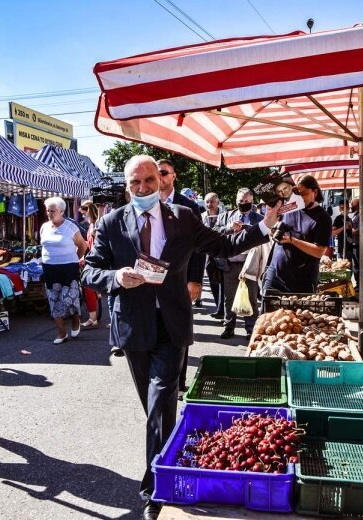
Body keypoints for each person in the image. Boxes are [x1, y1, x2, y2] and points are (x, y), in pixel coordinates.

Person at [82, 155, 280, 520]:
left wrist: (264, 227)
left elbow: (223, 245)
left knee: (161, 403)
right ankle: (174, 460)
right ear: (127, 186)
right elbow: (90, 271)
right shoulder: (111, 222)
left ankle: (154, 490)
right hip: (134, 327)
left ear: (160, 180)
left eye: (147, 181)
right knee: (154, 410)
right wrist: (116, 277)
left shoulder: (183, 217)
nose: (141, 189)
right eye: (134, 184)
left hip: (172, 326)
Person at [156, 158, 206, 392]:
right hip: (152, 281)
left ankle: (178, 381)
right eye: (157, 173)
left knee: (178, 331)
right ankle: (159, 380)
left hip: (181, 279)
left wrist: (195, 279)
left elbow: (199, 246)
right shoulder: (147, 203)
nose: (160, 177)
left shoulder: (188, 206)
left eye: (164, 173)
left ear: (174, 176)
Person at [262, 175, 331, 294]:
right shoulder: (290, 207)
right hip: (275, 274)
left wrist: (292, 240)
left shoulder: (323, 217)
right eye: (296, 194)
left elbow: (319, 251)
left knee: (298, 313)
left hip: (302, 280)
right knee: (268, 312)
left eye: (303, 193)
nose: (299, 198)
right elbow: (272, 224)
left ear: (314, 191)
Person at [214, 188, 264, 339]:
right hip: (230, 263)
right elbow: (214, 232)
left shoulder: (259, 218)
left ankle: (251, 329)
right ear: (236, 201)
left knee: (251, 298)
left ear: (252, 201)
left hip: (250, 264)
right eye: (241, 201)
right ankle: (229, 327)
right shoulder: (225, 216)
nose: (243, 204)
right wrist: (229, 228)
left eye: (247, 201)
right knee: (229, 298)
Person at [40, 197, 87, 344]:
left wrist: (74, 259)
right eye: (47, 210)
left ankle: (75, 320)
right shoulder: (44, 227)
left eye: (52, 211)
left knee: (69, 299)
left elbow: (83, 246)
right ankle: (61, 333)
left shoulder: (71, 227)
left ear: (61, 211)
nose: (49, 213)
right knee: (53, 300)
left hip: (68, 269)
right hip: (50, 269)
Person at [202, 192, 224, 319]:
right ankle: (219, 308)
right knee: (213, 280)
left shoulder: (225, 215)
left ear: (218, 202)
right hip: (209, 253)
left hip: (222, 252)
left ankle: (223, 310)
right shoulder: (202, 216)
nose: (209, 204)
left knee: (223, 283)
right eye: (207, 202)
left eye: (212, 201)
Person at [79, 201, 101, 328]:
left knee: (88, 288)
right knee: (90, 289)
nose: (82, 214)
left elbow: (95, 244)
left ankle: (93, 318)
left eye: (83, 211)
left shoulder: (95, 224)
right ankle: (93, 317)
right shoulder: (92, 223)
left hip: (93, 260)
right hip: (91, 258)